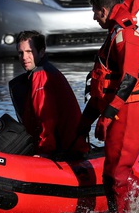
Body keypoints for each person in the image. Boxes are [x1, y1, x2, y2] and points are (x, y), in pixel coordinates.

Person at [76, 0, 139, 213]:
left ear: (103, 11)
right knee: (116, 169)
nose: (94, 18)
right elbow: (106, 84)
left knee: (116, 173)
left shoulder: (127, 36)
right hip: (125, 107)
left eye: (95, 13)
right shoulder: (116, 33)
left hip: (131, 108)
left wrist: (107, 115)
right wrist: (86, 122)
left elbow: (129, 79)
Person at [8, 30, 89, 159]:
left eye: (29, 52)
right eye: (20, 53)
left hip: (65, 150)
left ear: (41, 52)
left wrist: (44, 152)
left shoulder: (41, 76)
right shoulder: (43, 72)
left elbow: (46, 118)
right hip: (68, 146)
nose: (24, 57)